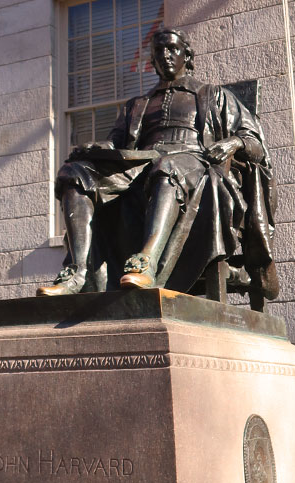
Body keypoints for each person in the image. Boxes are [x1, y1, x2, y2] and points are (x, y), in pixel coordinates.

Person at [37, 28, 277, 304]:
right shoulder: (137, 105)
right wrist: (99, 148)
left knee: (167, 166)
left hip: (194, 163)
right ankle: (77, 272)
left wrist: (233, 143)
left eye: (172, 49)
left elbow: (255, 144)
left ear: (187, 55)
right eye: (159, 51)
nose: (165, 55)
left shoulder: (214, 95)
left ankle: (146, 264)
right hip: (141, 166)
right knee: (74, 173)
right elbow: (117, 146)